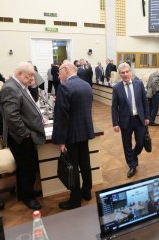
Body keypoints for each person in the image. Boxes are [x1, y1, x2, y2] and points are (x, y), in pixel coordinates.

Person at [0, 62, 45, 210]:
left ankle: (25, 193)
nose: (33, 78)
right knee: (28, 168)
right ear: (19, 74)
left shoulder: (20, 85)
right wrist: (24, 134)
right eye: (30, 75)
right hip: (20, 138)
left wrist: (32, 84)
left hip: (23, 136)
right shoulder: (10, 88)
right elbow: (12, 116)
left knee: (25, 167)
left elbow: (30, 102)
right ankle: (28, 197)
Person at [52, 61, 95, 210]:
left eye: (60, 72)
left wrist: (60, 140)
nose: (58, 75)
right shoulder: (86, 85)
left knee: (74, 166)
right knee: (85, 162)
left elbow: (62, 117)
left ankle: (75, 199)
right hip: (84, 130)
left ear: (67, 69)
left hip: (71, 133)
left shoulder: (64, 87)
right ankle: (87, 191)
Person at [111, 62, 149, 178]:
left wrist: (147, 117)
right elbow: (114, 107)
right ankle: (132, 165)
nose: (125, 74)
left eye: (127, 72)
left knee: (141, 143)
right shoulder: (117, 88)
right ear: (120, 75)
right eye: (122, 73)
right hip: (125, 121)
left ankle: (132, 155)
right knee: (126, 144)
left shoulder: (139, 84)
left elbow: (145, 101)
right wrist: (115, 123)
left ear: (130, 72)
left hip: (139, 119)